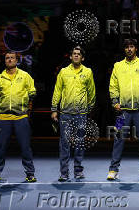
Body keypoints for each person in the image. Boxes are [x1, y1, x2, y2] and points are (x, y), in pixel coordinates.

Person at [107, 39, 139, 180]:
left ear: (136, 49)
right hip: (122, 111)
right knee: (118, 137)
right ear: (124, 50)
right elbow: (113, 86)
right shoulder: (118, 66)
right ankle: (113, 170)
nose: (129, 49)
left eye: (132, 47)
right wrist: (115, 102)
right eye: (127, 47)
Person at [0, 51, 37, 183]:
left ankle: (30, 173)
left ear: (17, 60)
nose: (9, 60)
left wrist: (28, 110)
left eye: (12, 58)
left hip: (21, 117)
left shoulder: (25, 76)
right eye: (7, 58)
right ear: (5, 61)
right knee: (1, 147)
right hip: (4, 118)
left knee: (25, 147)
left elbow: (32, 93)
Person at [51, 46, 96, 182]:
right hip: (65, 113)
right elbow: (57, 90)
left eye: (79, 54)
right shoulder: (63, 72)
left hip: (81, 114)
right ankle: (64, 173)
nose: (76, 56)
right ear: (70, 57)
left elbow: (91, 92)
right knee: (64, 143)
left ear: (82, 58)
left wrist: (89, 108)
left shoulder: (88, 72)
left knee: (79, 143)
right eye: (74, 54)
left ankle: (78, 170)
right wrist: (54, 109)